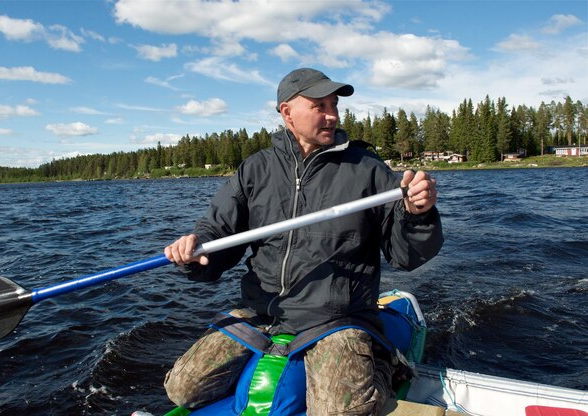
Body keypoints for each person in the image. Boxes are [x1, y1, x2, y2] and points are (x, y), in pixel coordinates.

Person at [163, 68, 443, 415]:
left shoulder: (367, 169)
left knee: (342, 412)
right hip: (263, 312)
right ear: (287, 112)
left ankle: (383, 362)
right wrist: (195, 252)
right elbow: (217, 235)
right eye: (319, 105)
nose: (332, 115)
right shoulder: (256, 169)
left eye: (334, 105)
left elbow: (406, 255)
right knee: (181, 388)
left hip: (337, 316)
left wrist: (418, 213)